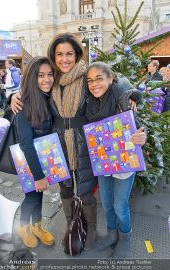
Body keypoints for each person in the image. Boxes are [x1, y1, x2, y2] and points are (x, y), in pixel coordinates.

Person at [11, 33, 140, 252]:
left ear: (77, 54)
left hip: (86, 142)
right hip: (58, 143)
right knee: (66, 191)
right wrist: (15, 95)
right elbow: (34, 91)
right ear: (54, 56)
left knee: (87, 191)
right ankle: (72, 229)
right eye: (59, 54)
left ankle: (89, 232)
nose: (64, 59)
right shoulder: (52, 79)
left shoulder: (85, 75)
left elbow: (116, 81)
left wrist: (133, 95)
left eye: (69, 53)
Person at [85, 62, 146, 258]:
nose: (94, 84)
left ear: (111, 79)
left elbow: (140, 129)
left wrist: (141, 138)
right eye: (90, 81)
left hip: (124, 164)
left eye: (99, 79)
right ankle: (112, 234)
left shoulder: (123, 100)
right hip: (104, 163)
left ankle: (125, 238)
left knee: (120, 205)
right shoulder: (90, 103)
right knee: (107, 203)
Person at [15, 56, 55, 248]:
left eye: (49, 74)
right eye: (40, 75)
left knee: (38, 195)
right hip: (30, 163)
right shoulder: (25, 103)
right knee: (31, 197)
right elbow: (26, 144)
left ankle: (37, 226)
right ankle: (23, 227)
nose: (46, 79)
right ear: (32, 77)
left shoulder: (48, 97)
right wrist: (38, 175)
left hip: (43, 160)